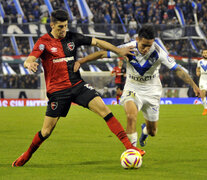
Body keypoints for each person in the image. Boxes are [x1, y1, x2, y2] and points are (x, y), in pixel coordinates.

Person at [12, 9, 145, 167]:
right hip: (58, 92)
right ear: (52, 24)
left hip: (77, 85)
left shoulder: (72, 37)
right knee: (46, 131)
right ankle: (26, 155)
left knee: (105, 110)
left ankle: (130, 147)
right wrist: (30, 64)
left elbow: (97, 42)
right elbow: (30, 59)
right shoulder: (43, 42)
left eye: (66, 26)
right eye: (60, 27)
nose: (63, 30)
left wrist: (118, 50)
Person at [73, 25, 203, 148]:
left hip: (152, 91)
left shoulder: (159, 52)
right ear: (137, 39)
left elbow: (177, 69)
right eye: (144, 45)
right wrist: (80, 61)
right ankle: (132, 151)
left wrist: (194, 85)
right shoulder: (128, 48)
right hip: (132, 88)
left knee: (152, 131)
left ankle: (145, 130)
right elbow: (102, 54)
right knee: (131, 116)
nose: (146, 49)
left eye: (149, 45)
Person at [196, 49, 207, 115]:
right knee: (203, 93)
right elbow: (198, 69)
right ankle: (205, 108)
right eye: (204, 53)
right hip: (202, 78)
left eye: (206, 53)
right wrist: (197, 72)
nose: (205, 54)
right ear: (202, 54)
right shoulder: (199, 62)